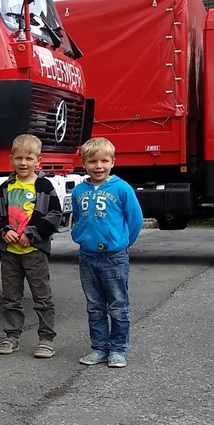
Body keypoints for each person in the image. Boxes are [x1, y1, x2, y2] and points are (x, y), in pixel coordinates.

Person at [0, 134, 62, 358]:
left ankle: (46, 339)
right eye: (18, 158)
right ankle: (11, 336)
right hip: (10, 253)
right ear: (11, 159)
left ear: (38, 161)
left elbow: (54, 215)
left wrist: (32, 234)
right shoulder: (5, 188)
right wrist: (4, 231)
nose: (23, 163)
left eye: (29, 158)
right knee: (11, 298)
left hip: (34, 253)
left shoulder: (44, 186)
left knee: (42, 298)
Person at [71, 137, 143, 369]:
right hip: (87, 257)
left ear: (113, 162)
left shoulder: (122, 188)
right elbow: (78, 217)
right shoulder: (79, 190)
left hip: (113, 258)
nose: (98, 166)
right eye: (92, 161)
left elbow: (135, 220)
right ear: (84, 163)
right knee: (94, 306)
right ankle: (99, 348)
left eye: (104, 161)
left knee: (117, 305)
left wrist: (120, 243)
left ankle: (118, 349)